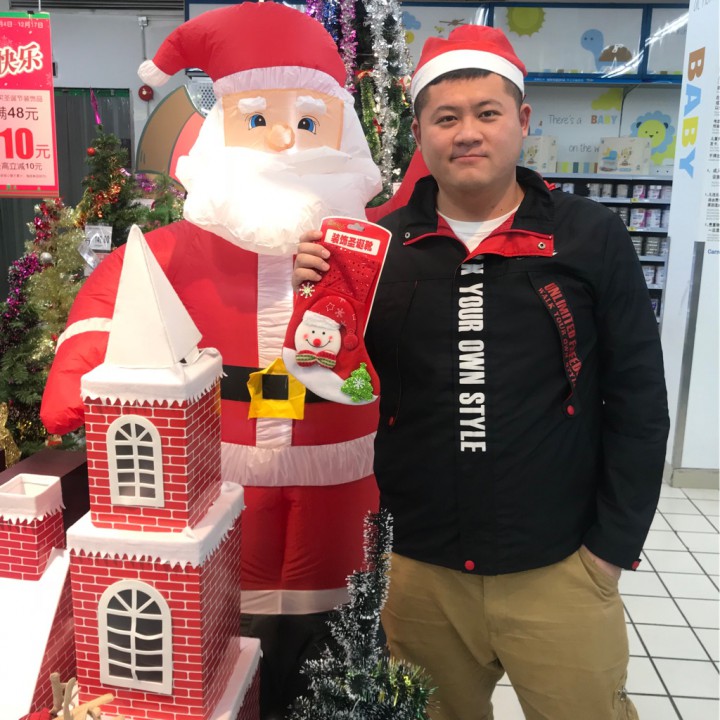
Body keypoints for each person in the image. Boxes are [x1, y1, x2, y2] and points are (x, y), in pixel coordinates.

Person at [293, 24, 670, 720]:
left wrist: (610, 551)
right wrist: (317, 305)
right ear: (419, 133)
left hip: (559, 565)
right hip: (422, 571)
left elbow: (639, 401)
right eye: (446, 118)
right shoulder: (379, 247)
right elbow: (334, 380)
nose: (467, 133)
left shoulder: (589, 236)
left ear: (522, 121)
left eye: (487, 113)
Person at [40, 4, 382, 717]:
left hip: (340, 489)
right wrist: (76, 378)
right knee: (225, 651)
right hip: (220, 492)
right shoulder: (171, 252)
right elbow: (113, 304)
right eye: (257, 120)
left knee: (334, 648)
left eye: (309, 122)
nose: (284, 139)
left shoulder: (374, 248)